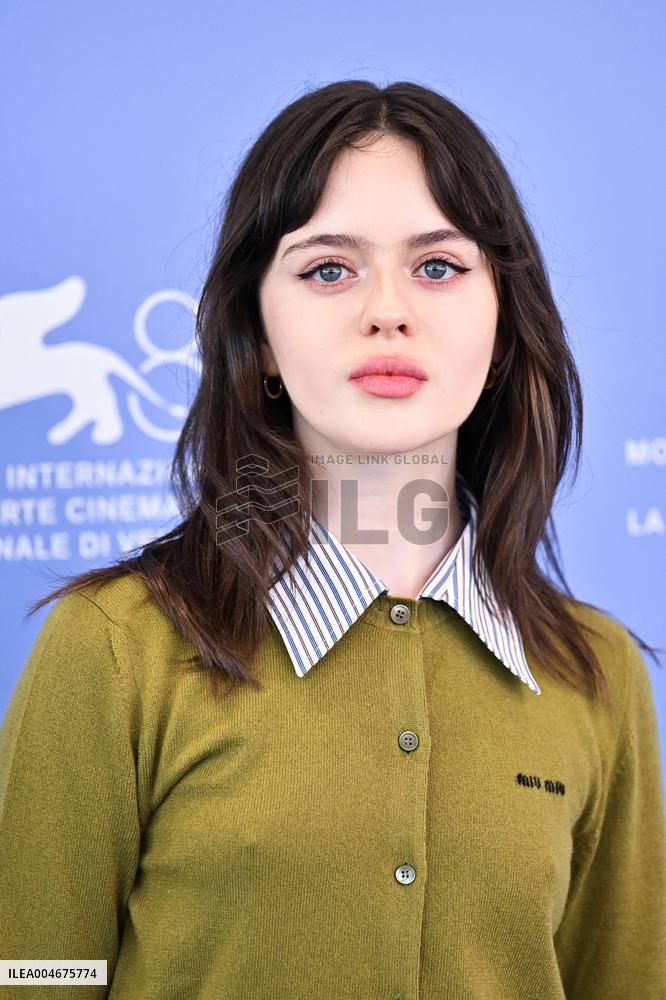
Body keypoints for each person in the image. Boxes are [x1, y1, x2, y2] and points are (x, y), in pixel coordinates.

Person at [1, 79, 664, 999]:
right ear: (260, 336)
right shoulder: (114, 649)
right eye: (328, 270)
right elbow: (36, 973)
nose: (388, 310)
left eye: (439, 266)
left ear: (504, 322)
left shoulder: (597, 674)